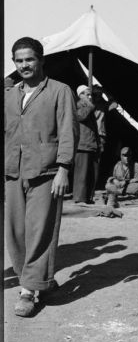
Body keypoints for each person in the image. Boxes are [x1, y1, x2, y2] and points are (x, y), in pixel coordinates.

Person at [4, 37, 79, 317]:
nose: (24, 65)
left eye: (29, 59)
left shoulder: (60, 91)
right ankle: (38, 281)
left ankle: (28, 291)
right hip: (13, 171)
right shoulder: (9, 95)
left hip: (46, 171)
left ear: (41, 60)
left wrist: (64, 169)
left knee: (39, 231)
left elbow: (68, 131)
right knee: (15, 232)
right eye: (19, 60)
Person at [72, 85, 100, 204]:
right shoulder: (79, 105)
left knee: (92, 174)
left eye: (90, 95)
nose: (90, 97)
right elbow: (80, 117)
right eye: (87, 94)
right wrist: (89, 105)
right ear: (80, 95)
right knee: (81, 174)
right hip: (82, 145)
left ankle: (88, 197)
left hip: (92, 145)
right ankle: (79, 198)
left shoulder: (90, 108)